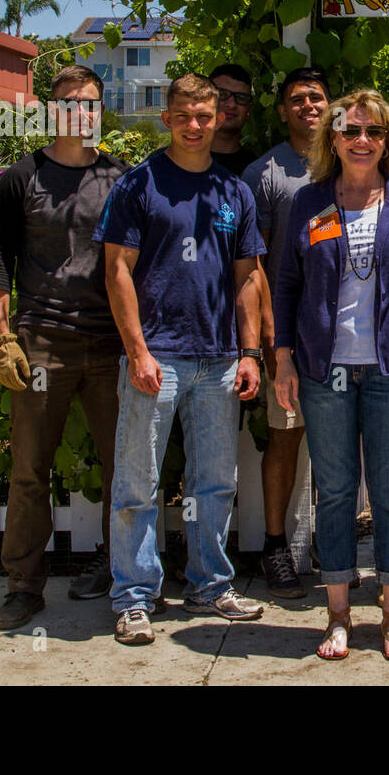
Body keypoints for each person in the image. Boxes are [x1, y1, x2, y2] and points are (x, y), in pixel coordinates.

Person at [273, 90, 389, 661]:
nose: (362, 141)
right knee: (336, 493)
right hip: (324, 369)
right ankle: (338, 616)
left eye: (373, 132)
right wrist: (281, 358)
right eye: (351, 131)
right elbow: (285, 285)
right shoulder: (308, 202)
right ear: (333, 138)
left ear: (388, 141)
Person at [95, 73, 266, 646]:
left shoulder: (233, 192)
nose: (196, 125)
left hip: (219, 358)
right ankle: (135, 597)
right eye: (185, 115)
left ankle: (211, 584)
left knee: (215, 481)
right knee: (138, 482)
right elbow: (116, 269)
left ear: (219, 120)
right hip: (157, 358)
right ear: (166, 118)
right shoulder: (138, 185)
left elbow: (248, 277)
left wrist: (249, 353)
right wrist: (137, 351)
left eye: (206, 115)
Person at [0, 65, 129, 630]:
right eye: (69, 103)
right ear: (51, 110)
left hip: (111, 343)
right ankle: (23, 586)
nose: (81, 113)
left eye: (90, 103)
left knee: (126, 468)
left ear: (100, 109)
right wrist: (3, 339)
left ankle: (127, 577)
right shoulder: (21, 178)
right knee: (28, 470)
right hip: (42, 343)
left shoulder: (121, 179)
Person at [240, 66, 331, 598]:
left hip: (344, 336)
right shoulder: (265, 173)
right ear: (282, 110)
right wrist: (275, 343)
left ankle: (332, 542)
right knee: (285, 439)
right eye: (297, 99)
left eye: (316, 97)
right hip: (290, 340)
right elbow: (257, 267)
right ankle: (277, 546)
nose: (308, 107)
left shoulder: (348, 160)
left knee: (339, 445)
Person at [209, 63, 259, 177]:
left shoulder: (256, 171)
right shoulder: (174, 161)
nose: (231, 104)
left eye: (241, 98)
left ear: (248, 110)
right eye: (222, 95)